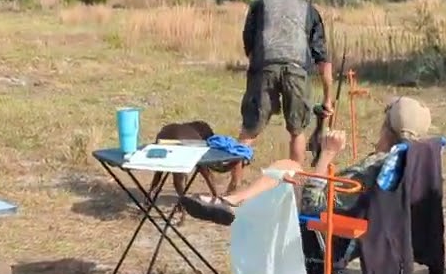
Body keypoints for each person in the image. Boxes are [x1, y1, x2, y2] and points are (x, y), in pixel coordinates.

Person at [181, 96, 432, 226]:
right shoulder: (398, 162)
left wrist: (327, 154)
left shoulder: (375, 165)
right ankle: (232, 202)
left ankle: (232, 203)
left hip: (325, 222)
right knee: (289, 167)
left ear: (387, 128)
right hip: (343, 212)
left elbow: (314, 204)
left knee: (286, 171)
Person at [232, 0, 334, 193]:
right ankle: (293, 189)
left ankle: (234, 186)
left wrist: (257, 73)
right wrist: (328, 97)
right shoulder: (309, 10)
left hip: (264, 68)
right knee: (297, 131)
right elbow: (322, 58)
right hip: (297, 71)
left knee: (249, 129)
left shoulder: (260, 6)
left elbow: (249, 46)